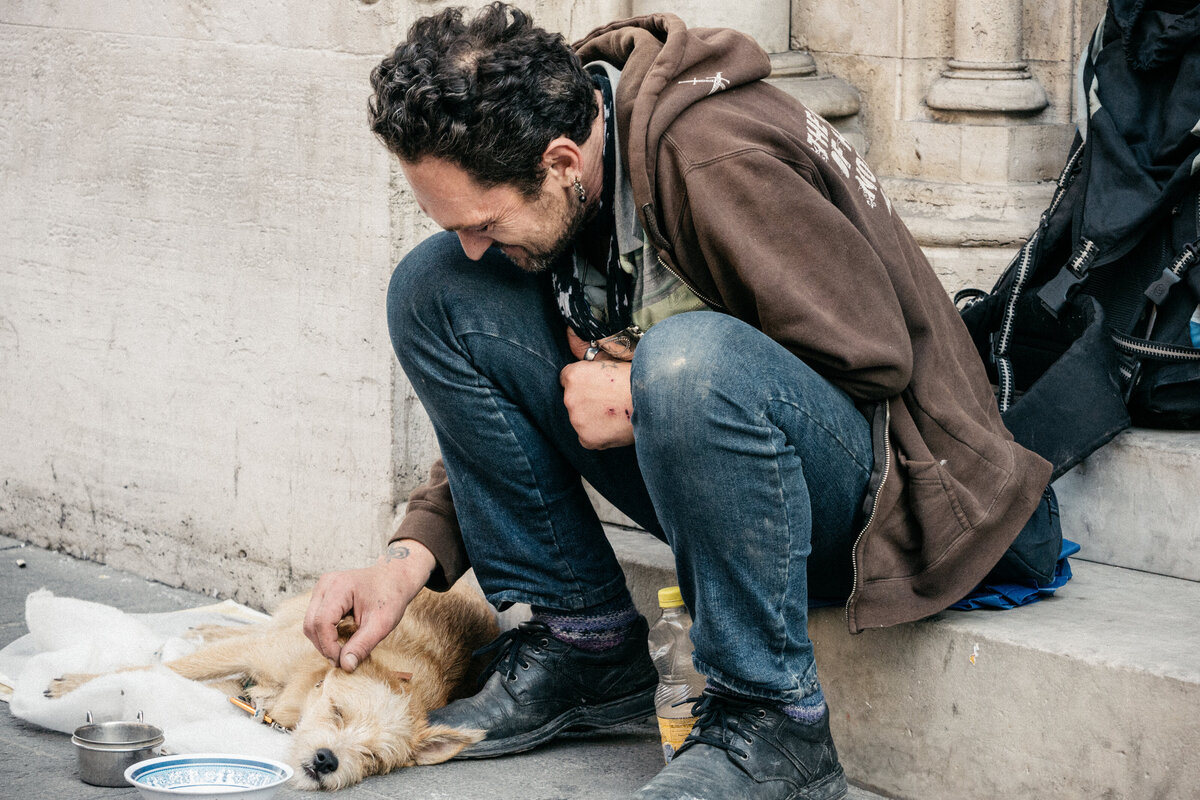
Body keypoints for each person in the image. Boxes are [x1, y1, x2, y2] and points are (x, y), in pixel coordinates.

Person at [302, 4, 1052, 798]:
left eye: (485, 221)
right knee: (436, 288)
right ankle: (583, 647)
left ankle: (773, 723)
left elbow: (873, 356)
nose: (476, 242)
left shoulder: (713, 154)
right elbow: (510, 393)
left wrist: (635, 389)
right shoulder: (582, 154)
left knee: (686, 362)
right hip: (722, 467)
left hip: (885, 498)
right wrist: (408, 561)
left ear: (561, 161)